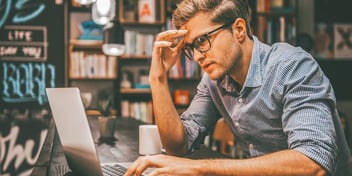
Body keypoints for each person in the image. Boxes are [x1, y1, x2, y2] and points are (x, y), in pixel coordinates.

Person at [124, 0, 351, 175]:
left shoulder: (292, 66)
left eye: (202, 41)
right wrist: (158, 78)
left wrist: (199, 168)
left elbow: (314, 162)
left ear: (239, 29)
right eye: (190, 47)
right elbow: (178, 147)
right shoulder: (214, 81)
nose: (196, 56)